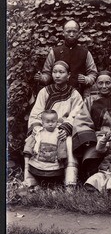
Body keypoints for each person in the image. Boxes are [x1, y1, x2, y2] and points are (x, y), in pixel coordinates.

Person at [24, 60, 83, 190]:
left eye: (61, 72)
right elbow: (36, 112)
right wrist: (38, 128)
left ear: (68, 75)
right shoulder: (45, 91)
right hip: (45, 128)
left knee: (68, 143)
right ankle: (30, 181)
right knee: (32, 142)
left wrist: (66, 127)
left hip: (63, 129)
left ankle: (69, 183)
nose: (57, 75)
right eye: (55, 72)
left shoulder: (74, 94)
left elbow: (77, 114)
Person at [34, 19, 97, 96]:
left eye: (74, 31)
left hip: (78, 94)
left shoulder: (85, 53)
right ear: (63, 32)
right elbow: (47, 73)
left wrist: (86, 79)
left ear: (79, 33)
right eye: (68, 31)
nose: (71, 34)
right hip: (57, 94)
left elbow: (93, 73)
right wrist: (42, 78)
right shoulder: (54, 52)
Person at [23, 109, 67, 184]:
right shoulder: (38, 132)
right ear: (42, 123)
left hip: (53, 162)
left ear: (57, 122)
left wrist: (62, 156)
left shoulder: (59, 133)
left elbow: (62, 145)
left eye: (53, 122)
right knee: (36, 169)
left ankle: (52, 183)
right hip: (39, 161)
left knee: (54, 173)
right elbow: (31, 141)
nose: (50, 124)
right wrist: (28, 150)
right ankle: (36, 181)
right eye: (47, 122)